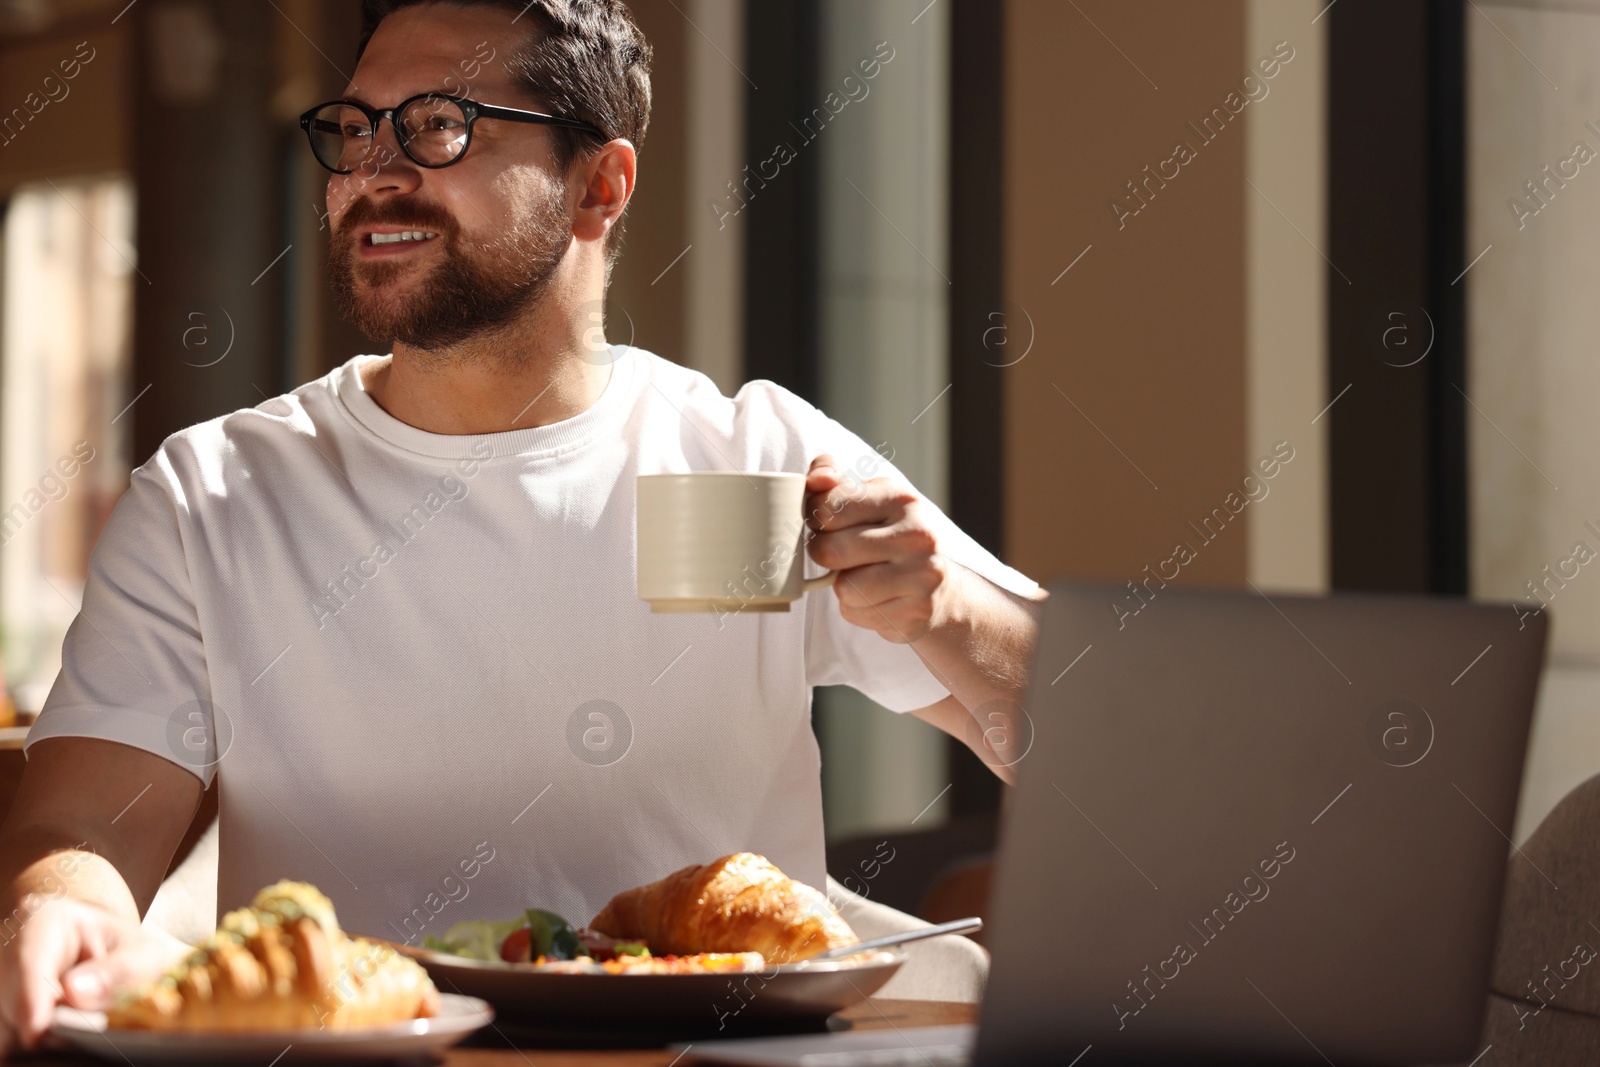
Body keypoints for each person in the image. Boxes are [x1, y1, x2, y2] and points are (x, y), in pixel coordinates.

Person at [0, 0, 1044, 1050]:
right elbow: (84, 820)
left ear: (600, 185)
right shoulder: (214, 496)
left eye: (439, 125)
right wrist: (65, 906)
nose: (373, 170)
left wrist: (944, 607)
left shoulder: (749, 464)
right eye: (356, 129)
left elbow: (1079, 745)